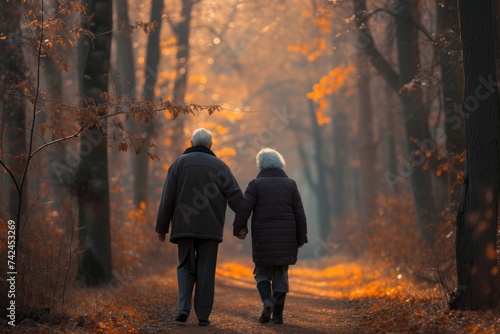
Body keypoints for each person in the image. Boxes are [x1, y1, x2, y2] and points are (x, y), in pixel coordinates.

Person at [156, 128, 243, 327]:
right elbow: (236, 197)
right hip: (210, 229)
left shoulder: (178, 164)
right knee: (206, 270)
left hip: (183, 226)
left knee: (186, 266)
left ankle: (183, 309)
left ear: (192, 142)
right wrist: (242, 224)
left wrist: (162, 226)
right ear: (210, 145)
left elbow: (167, 197)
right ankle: (203, 316)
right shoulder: (220, 167)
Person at [233, 148, 308, 324]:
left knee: (261, 273)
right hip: (286, 237)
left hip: (263, 238)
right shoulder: (290, 184)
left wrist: (239, 228)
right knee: (281, 274)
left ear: (261, 165)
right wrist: (301, 237)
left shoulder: (255, 184)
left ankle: (267, 301)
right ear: (280, 163)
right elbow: (300, 213)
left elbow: (245, 208)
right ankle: (278, 315)